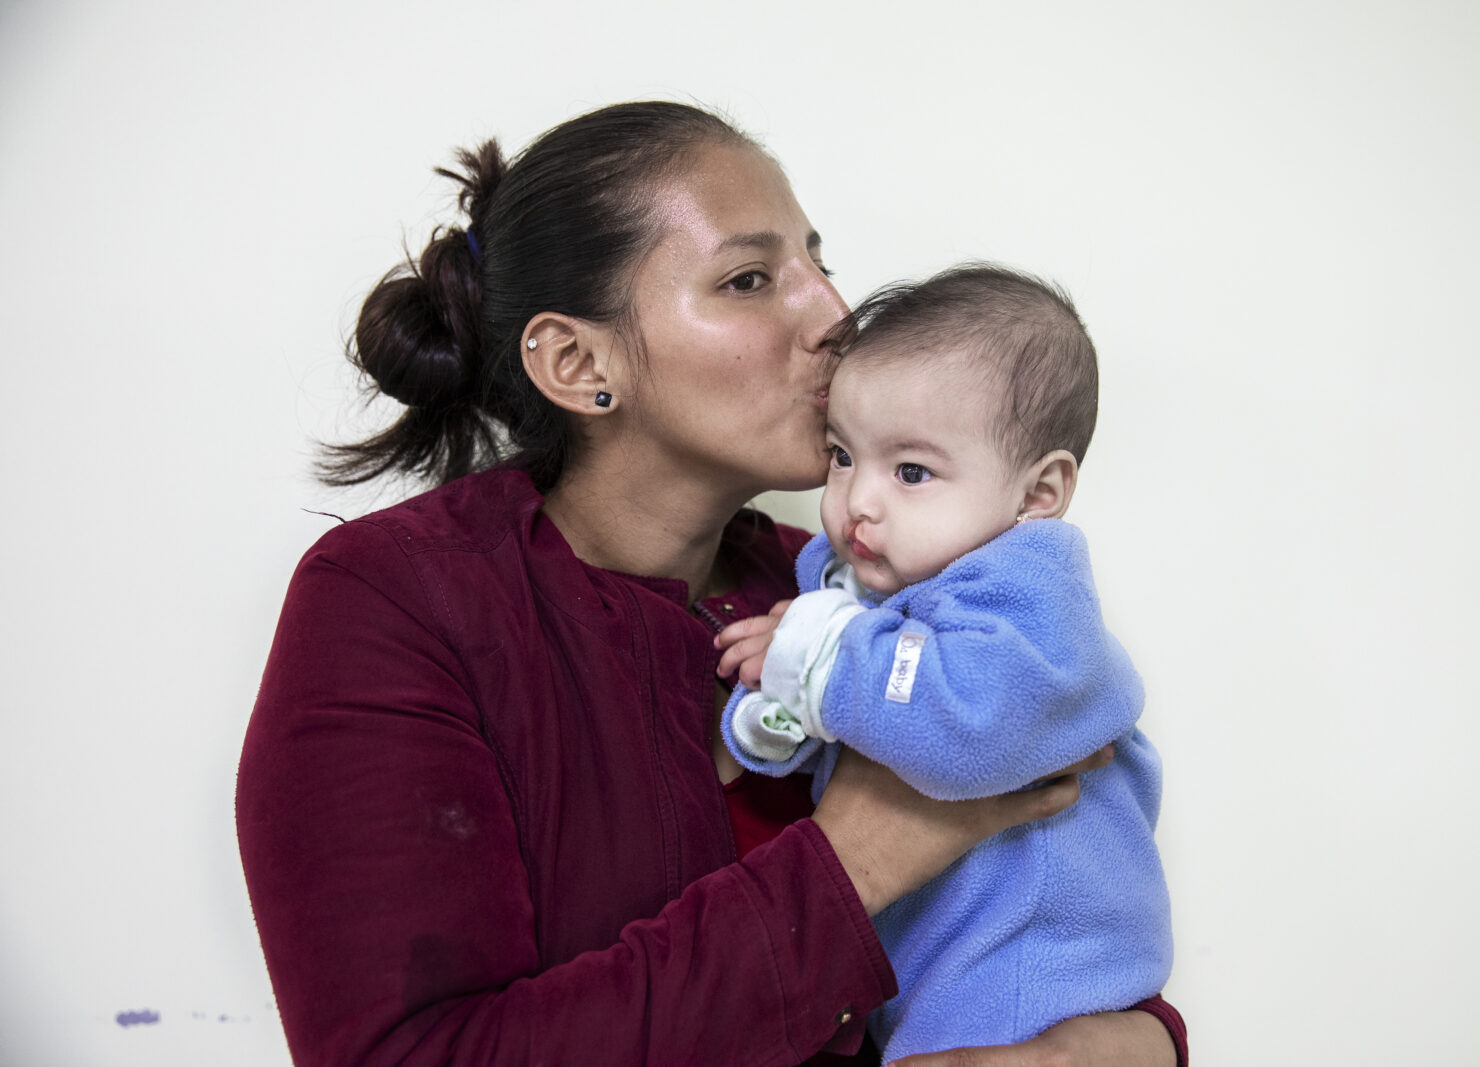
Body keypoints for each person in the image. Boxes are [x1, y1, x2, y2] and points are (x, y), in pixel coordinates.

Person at [236, 101, 1188, 1066]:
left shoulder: (844, 585)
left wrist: (1124, 1044)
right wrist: (861, 855)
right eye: (749, 279)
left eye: (818, 260)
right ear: (578, 361)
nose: (836, 317)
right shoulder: (395, 603)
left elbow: (1047, 897)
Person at [716, 266, 1171, 1061]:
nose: (859, 500)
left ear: (1038, 494)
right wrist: (786, 703)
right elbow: (877, 725)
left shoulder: (1032, 600)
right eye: (842, 455)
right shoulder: (875, 585)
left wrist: (827, 659)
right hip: (942, 966)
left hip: (1030, 971)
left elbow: (968, 725)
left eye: (912, 472)